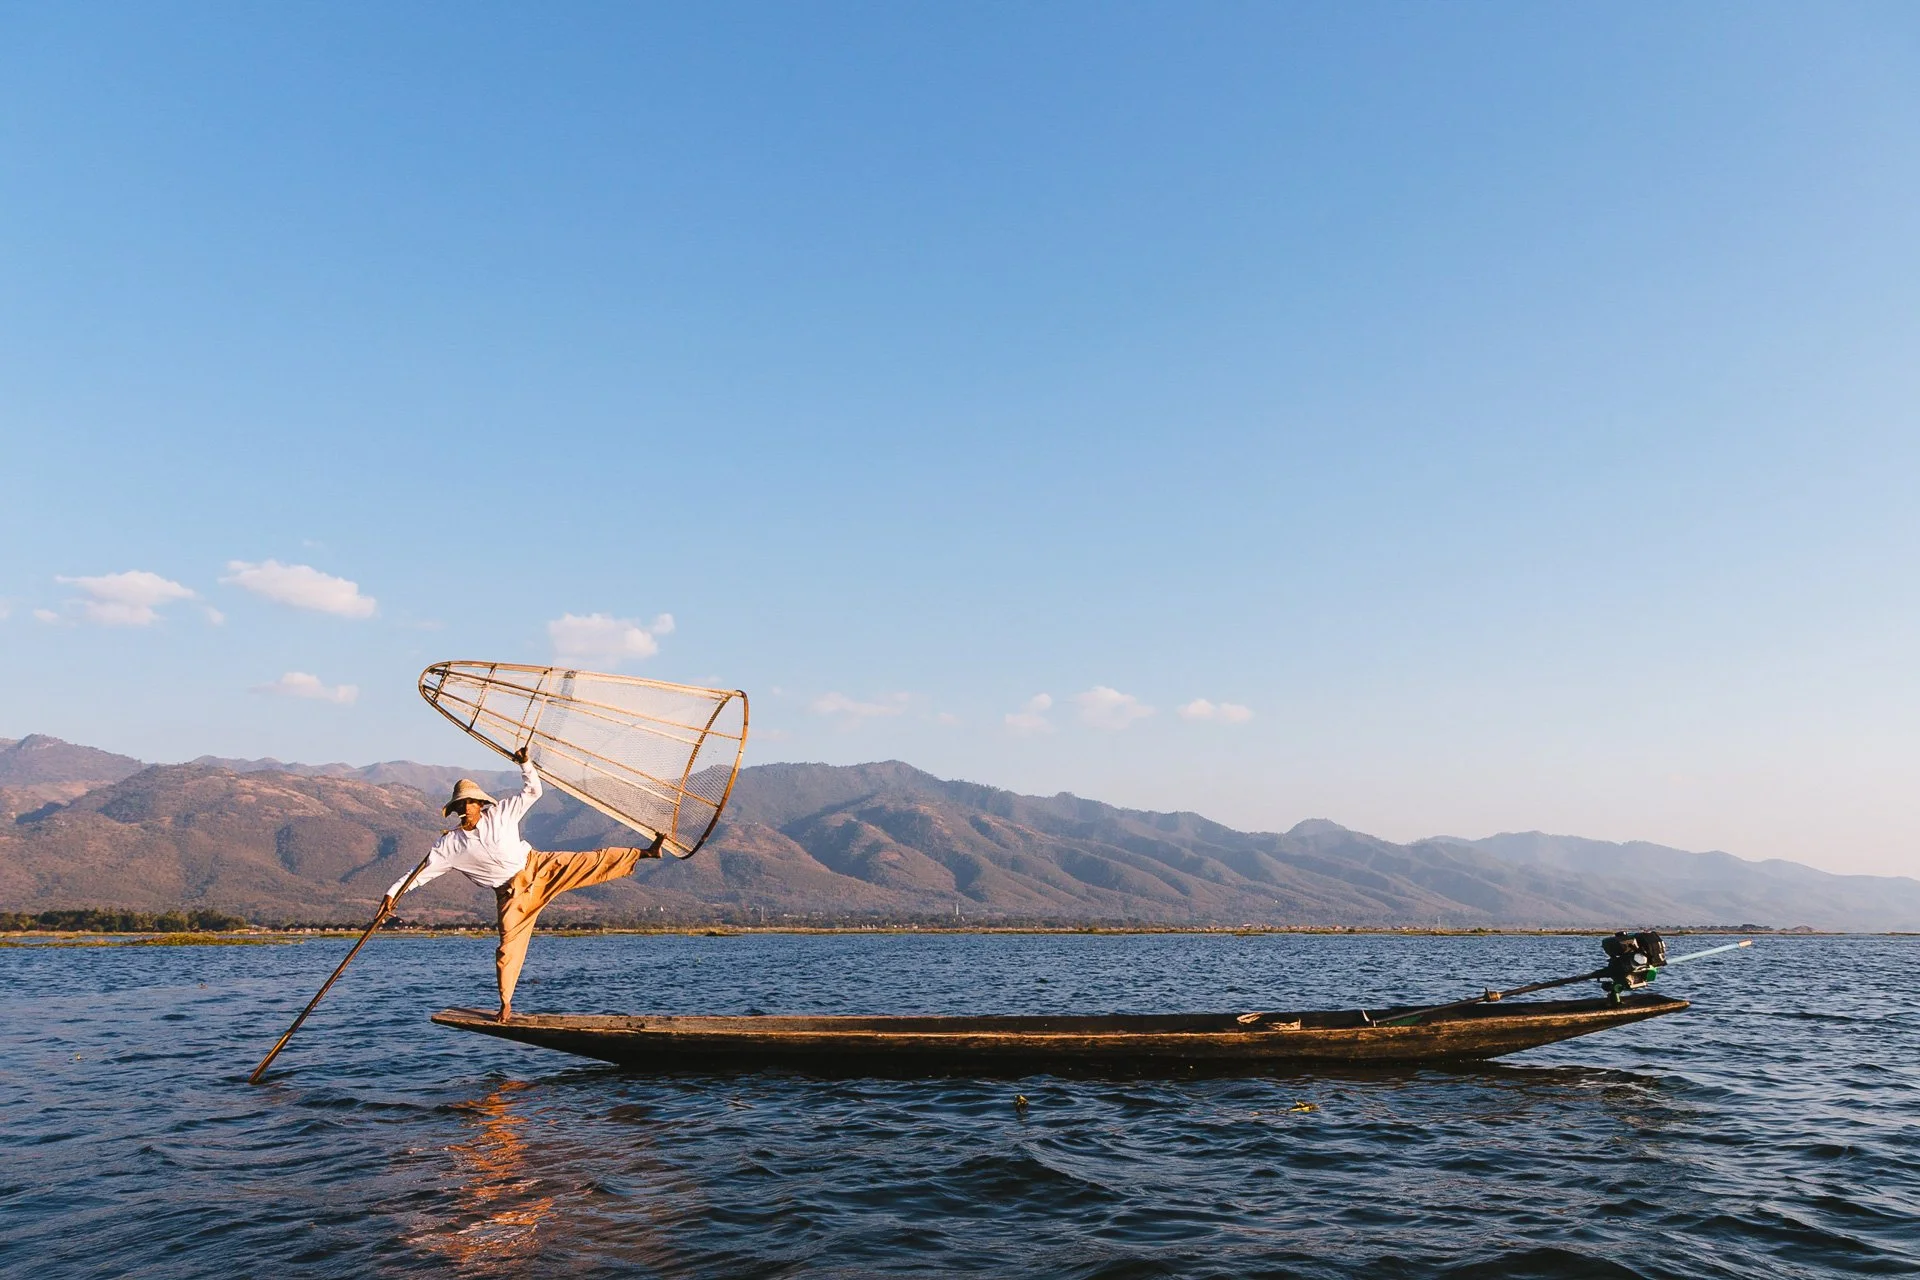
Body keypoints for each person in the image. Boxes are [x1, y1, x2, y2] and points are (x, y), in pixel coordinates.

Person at [382, 749, 663, 1021]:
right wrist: (392, 893)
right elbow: (420, 873)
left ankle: (645, 853)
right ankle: (505, 1003)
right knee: (508, 948)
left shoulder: (501, 813)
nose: (466, 808)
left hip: (536, 866)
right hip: (511, 896)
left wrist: (525, 764)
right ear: (456, 809)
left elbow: (533, 792)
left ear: (480, 804)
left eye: (470, 802)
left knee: (590, 860)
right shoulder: (450, 844)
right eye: (461, 804)